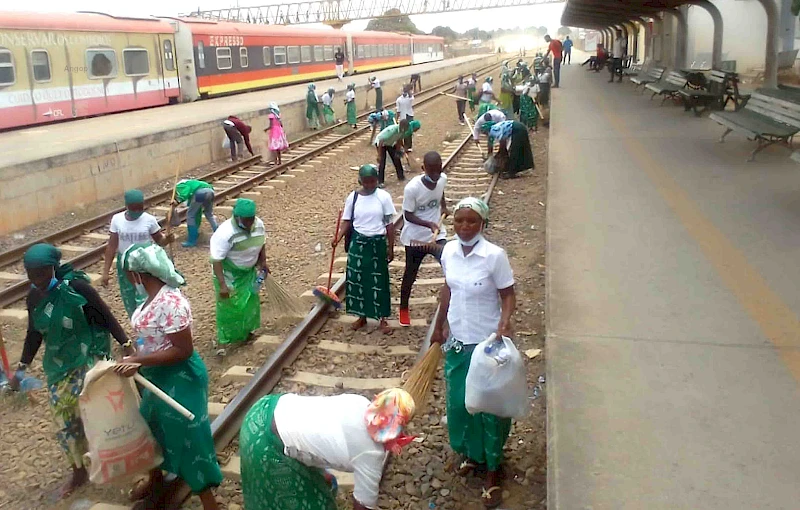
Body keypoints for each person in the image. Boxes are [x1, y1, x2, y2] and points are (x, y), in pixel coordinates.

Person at [11, 244, 129, 500]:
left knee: (98, 411)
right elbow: (34, 334)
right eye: (31, 275)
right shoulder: (34, 297)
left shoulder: (77, 289)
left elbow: (105, 316)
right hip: (58, 366)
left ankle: (116, 456)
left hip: (88, 358)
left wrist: (126, 344)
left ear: (53, 268)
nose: (37, 280)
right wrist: (22, 368)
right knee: (65, 420)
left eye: (41, 274)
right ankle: (78, 470)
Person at [116, 243, 222, 509]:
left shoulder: (171, 303)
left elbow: (183, 350)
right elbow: (151, 340)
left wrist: (138, 360)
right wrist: (137, 359)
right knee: (149, 425)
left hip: (180, 377)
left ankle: (209, 501)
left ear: (139, 274)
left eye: (129, 273)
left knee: (189, 437)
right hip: (156, 376)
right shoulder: (148, 300)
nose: (128, 279)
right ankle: (156, 478)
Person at [430, 197, 517, 509]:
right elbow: (447, 290)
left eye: (471, 222)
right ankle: (473, 455)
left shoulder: (494, 256)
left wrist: (504, 323)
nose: (464, 227)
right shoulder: (449, 252)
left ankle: (494, 469)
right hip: (458, 341)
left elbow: (507, 295)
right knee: (460, 405)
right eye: (458, 221)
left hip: (486, 345)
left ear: (483, 224)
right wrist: (438, 327)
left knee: (489, 409)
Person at [239, 388, 415, 510]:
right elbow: (362, 505)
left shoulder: (359, 402)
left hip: (264, 408)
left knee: (323, 484)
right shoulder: (371, 454)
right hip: (265, 444)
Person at [332, 164, 396, 335]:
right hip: (358, 243)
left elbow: (390, 225)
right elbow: (347, 221)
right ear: (360, 181)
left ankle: (382, 318)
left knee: (379, 282)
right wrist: (338, 238)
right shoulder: (352, 198)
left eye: (373, 181)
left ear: (377, 180)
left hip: (377, 243)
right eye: (366, 182)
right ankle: (362, 316)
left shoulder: (383, 197)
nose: (369, 185)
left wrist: (391, 247)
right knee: (357, 280)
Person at [101, 189, 172, 317]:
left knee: (145, 294)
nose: (137, 211)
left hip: (144, 262)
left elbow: (160, 241)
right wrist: (106, 272)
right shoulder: (117, 220)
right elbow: (111, 246)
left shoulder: (149, 220)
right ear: (126, 206)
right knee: (128, 296)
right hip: (125, 263)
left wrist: (167, 239)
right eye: (134, 208)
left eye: (140, 208)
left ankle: (148, 322)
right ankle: (136, 322)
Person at [210, 198, 267, 350]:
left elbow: (262, 244)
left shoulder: (259, 225)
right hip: (230, 276)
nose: (249, 223)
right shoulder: (225, 233)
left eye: (251, 219)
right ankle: (224, 340)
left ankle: (246, 333)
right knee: (229, 307)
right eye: (246, 220)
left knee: (250, 302)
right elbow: (216, 260)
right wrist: (222, 285)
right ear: (236, 217)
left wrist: (263, 263)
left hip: (249, 273)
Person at [398, 151, 448, 327]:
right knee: (410, 274)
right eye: (432, 171)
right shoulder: (412, 188)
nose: (436, 175)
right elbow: (408, 215)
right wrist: (429, 224)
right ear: (423, 168)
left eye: (438, 170)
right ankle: (403, 308)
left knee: (450, 266)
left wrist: (444, 207)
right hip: (415, 239)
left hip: (437, 236)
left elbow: (441, 193)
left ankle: (452, 304)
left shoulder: (442, 179)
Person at [171, 179, 218, 248]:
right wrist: (197, 226)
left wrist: (178, 200)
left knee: (190, 215)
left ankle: (191, 240)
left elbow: (184, 192)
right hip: (211, 191)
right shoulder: (193, 183)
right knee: (209, 214)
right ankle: (218, 233)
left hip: (200, 193)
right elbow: (197, 212)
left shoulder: (179, 185)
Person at [375, 119, 421, 185]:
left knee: (397, 159)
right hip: (381, 144)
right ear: (402, 127)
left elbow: (399, 140)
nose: (406, 130)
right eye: (405, 128)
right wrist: (379, 155)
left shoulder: (402, 131)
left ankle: (401, 177)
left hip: (390, 143)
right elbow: (381, 141)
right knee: (382, 162)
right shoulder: (393, 130)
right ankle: (380, 182)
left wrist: (398, 150)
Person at [395, 85, 415, 152]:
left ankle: (409, 146)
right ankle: (404, 146)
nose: (404, 92)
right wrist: (396, 119)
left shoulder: (409, 97)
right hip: (403, 117)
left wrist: (409, 89)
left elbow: (411, 97)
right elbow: (398, 111)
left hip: (409, 116)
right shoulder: (399, 100)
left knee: (409, 131)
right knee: (403, 132)